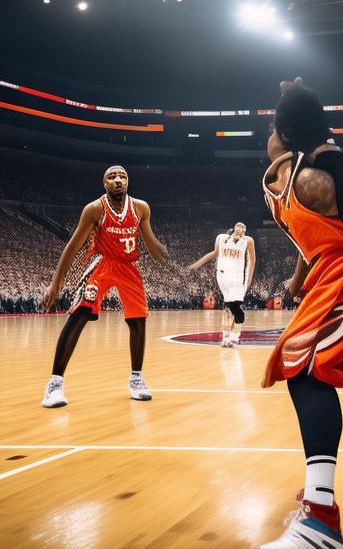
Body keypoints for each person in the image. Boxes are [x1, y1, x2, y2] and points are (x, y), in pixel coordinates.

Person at [257, 80, 343, 549]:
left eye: (275, 125)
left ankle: (321, 519)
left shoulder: (316, 178)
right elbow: (318, 234)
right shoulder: (295, 171)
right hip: (326, 273)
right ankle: (318, 496)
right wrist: (299, 277)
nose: (268, 136)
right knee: (297, 367)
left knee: (308, 372)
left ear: (287, 133)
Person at [39, 165, 167, 408]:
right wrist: (56, 283)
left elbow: (149, 241)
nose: (118, 180)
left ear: (128, 181)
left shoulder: (141, 207)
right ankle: (54, 384)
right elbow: (73, 246)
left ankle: (136, 379)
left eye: (123, 176)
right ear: (104, 183)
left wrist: (160, 252)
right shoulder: (95, 209)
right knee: (80, 314)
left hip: (129, 266)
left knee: (138, 320)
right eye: (112, 177)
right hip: (102, 262)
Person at [188, 222, 256, 347]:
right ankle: (226, 337)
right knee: (229, 308)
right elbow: (214, 254)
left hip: (238, 278)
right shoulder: (222, 241)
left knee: (234, 309)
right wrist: (197, 264)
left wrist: (249, 279)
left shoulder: (246, 242)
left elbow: (252, 261)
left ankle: (234, 337)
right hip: (225, 277)